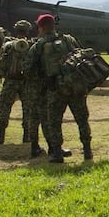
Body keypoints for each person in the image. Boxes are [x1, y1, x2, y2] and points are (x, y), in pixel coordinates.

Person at [28, 13, 90, 162]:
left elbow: (28, 68)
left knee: (54, 121)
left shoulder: (39, 45)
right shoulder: (69, 39)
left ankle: (56, 152)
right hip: (75, 86)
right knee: (82, 119)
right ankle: (87, 150)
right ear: (54, 26)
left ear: (40, 27)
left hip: (55, 89)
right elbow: (81, 56)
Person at [0, 20, 33, 145]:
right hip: (26, 82)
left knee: (5, 107)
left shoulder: (8, 45)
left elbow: (0, 62)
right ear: (28, 31)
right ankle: (26, 136)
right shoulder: (32, 45)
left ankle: (1, 136)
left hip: (10, 80)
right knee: (27, 108)